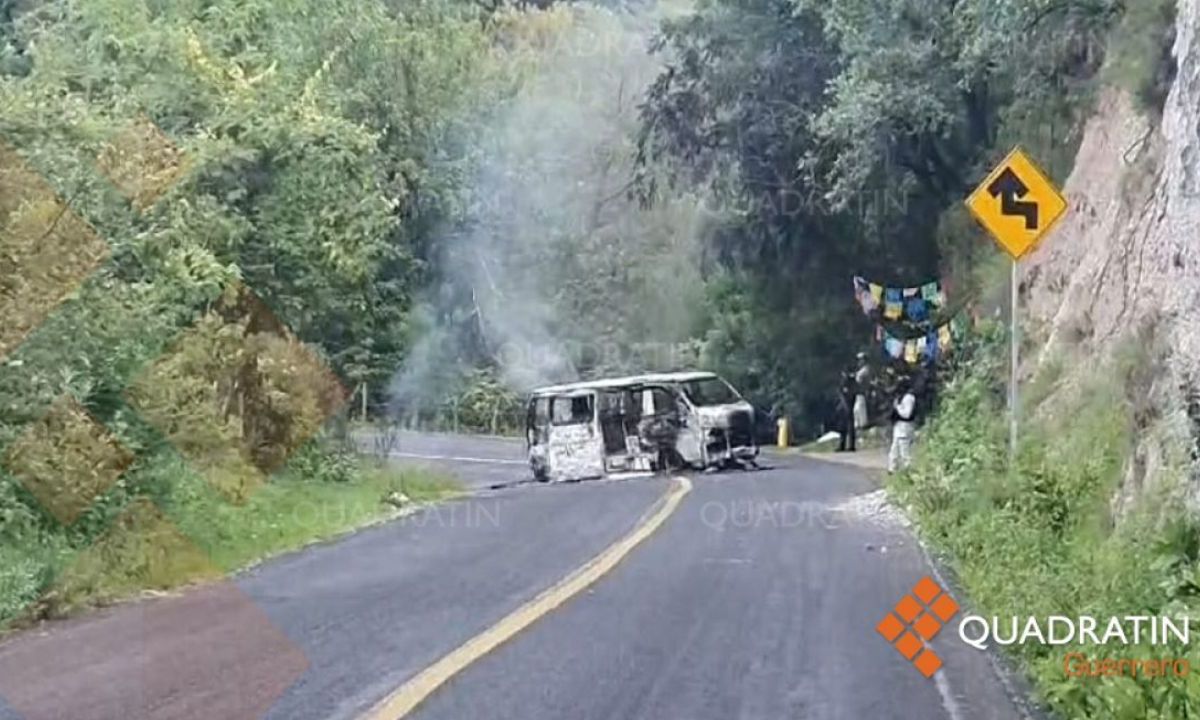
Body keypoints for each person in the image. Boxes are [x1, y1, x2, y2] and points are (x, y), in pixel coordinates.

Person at [888, 376, 917, 473]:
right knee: (894, 451)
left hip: (905, 426)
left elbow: (907, 414)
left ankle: (908, 471)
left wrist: (898, 408)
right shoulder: (901, 397)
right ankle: (892, 469)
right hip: (898, 426)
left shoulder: (909, 398)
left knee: (905, 452)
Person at [837, 371, 857, 452]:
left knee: (848, 426)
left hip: (847, 406)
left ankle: (848, 445)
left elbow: (844, 394)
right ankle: (845, 445)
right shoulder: (851, 382)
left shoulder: (848, 382)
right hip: (846, 406)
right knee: (844, 427)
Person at [853, 352, 870, 431]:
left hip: (862, 392)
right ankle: (857, 425)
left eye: (861, 360)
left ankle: (863, 424)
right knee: (856, 409)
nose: (859, 362)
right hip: (858, 392)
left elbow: (861, 381)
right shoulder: (860, 371)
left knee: (860, 408)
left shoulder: (865, 370)